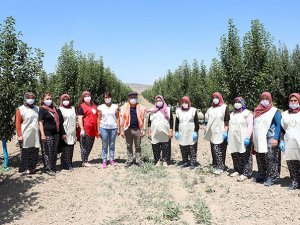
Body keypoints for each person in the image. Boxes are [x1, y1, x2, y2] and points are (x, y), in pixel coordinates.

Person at [253, 92, 281, 186]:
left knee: (271, 157)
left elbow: (278, 125)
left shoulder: (274, 111)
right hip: (259, 138)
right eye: (262, 98)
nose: (264, 100)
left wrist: (276, 138)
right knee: (260, 156)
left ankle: (273, 177)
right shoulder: (257, 110)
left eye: (266, 99)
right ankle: (262, 174)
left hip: (270, 137)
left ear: (270, 100)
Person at [228, 97, 253, 181]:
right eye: (235, 102)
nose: (237, 103)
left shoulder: (247, 113)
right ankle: (238, 170)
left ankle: (246, 173)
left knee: (245, 155)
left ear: (242, 103)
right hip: (233, 138)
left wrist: (247, 137)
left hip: (244, 138)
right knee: (235, 154)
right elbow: (230, 125)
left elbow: (250, 126)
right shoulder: (232, 114)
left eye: (239, 102)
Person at [204, 92, 229, 174]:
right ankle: (215, 164)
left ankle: (221, 167)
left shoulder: (224, 107)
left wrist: (225, 131)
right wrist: (206, 130)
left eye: (217, 97)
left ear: (220, 98)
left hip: (221, 132)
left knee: (219, 150)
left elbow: (226, 120)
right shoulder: (210, 109)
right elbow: (208, 121)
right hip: (212, 132)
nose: (215, 99)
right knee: (213, 149)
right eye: (213, 97)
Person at [120, 91, 147, 167]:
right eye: (131, 97)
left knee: (138, 146)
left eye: (134, 97)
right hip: (128, 129)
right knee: (129, 145)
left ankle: (138, 160)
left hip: (137, 129)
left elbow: (144, 119)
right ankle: (129, 160)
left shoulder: (141, 108)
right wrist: (122, 130)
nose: (133, 99)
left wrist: (144, 130)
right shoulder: (124, 108)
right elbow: (121, 119)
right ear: (128, 98)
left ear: (137, 98)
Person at [16, 92, 40, 175]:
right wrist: (19, 135)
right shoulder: (20, 109)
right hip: (25, 133)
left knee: (34, 151)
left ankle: (32, 167)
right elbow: (18, 123)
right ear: (25, 98)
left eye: (32, 98)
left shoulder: (37, 108)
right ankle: (25, 168)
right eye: (29, 98)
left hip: (35, 134)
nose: (31, 99)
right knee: (25, 151)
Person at [280, 93, 300, 190]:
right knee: (292, 163)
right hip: (289, 143)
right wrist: (281, 141)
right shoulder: (284, 114)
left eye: (295, 101)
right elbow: (282, 129)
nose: (293, 102)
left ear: (298, 101)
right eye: (291, 101)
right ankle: (294, 182)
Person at [148, 95, 173, 166]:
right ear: (155, 102)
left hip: (165, 131)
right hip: (155, 132)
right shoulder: (152, 110)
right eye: (157, 101)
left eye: (160, 100)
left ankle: (165, 160)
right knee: (155, 146)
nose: (159, 102)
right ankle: (157, 160)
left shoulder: (167, 109)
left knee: (166, 146)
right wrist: (149, 132)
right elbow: (149, 122)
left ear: (163, 101)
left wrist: (171, 131)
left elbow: (171, 120)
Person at [39, 92, 61, 176]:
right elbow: (40, 123)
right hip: (47, 133)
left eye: (50, 99)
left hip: (55, 133)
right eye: (47, 99)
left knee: (54, 151)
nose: (49, 100)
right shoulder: (42, 109)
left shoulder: (54, 108)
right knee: (47, 152)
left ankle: (53, 166)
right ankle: (48, 168)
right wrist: (42, 134)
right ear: (43, 100)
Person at [175, 96, 199, 169]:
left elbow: (196, 122)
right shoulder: (178, 111)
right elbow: (177, 122)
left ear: (189, 103)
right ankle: (185, 161)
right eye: (183, 102)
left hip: (191, 132)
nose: (184, 104)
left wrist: (195, 131)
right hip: (182, 132)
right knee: (183, 147)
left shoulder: (193, 110)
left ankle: (193, 163)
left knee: (192, 148)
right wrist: (176, 131)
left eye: (186, 102)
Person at [98, 92, 120, 169]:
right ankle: (104, 160)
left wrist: (119, 128)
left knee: (112, 144)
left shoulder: (115, 106)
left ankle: (111, 159)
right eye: (106, 97)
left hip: (113, 128)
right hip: (103, 128)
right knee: (104, 145)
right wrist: (98, 130)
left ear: (111, 97)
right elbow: (99, 119)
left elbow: (117, 118)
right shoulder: (100, 107)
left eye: (108, 97)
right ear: (104, 98)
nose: (107, 99)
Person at [77, 91, 99, 167]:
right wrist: (82, 129)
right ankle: (84, 161)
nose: (87, 97)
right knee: (84, 146)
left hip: (93, 129)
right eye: (85, 96)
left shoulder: (94, 106)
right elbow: (79, 119)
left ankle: (86, 159)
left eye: (88, 95)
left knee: (90, 145)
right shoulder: (81, 107)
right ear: (83, 98)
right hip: (85, 129)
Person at [57, 94, 76, 170]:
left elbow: (75, 118)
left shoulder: (72, 108)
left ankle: (69, 163)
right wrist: (63, 133)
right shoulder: (60, 109)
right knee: (65, 148)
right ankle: (66, 164)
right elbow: (60, 122)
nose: (66, 101)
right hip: (65, 130)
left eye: (67, 99)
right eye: (64, 100)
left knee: (71, 147)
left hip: (72, 130)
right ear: (61, 101)